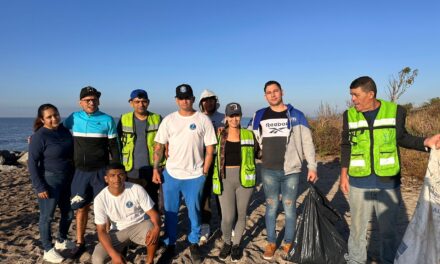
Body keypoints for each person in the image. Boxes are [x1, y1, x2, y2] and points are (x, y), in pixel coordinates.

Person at [339, 76, 440, 264]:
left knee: (388, 231)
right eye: (351, 95)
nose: (353, 99)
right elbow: (346, 145)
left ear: (370, 94)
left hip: (388, 182)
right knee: (357, 230)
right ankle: (355, 261)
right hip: (358, 181)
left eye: (356, 95)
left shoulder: (396, 111)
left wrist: (425, 142)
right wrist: (343, 174)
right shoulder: (349, 115)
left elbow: (402, 138)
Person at [250, 80, 318, 260]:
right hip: (268, 169)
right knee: (271, 207)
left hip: (291, 170)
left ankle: (288, 242)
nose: (272, 94)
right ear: (265, 95)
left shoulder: (296, 115)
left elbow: (307, 143)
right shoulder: (259, 115)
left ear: (282, 92)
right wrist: (225, 128)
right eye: (269, 92)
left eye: (275, 91)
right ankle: (271, 242)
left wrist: (312, 166)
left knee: (289, 208)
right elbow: (247, 136)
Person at [152, 84, 217, 263]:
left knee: (194, 212)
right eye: (181, 98)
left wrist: (204, 172)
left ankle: (194, 242)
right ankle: (171, 244)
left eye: (187, 97)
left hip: (195, 176)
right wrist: (156, 168)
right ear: (176, 100)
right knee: (171, 211)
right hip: (171, 175)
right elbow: (159, 147)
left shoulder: (203, 119)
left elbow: (210, 149)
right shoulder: (169, 120)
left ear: (193, 99)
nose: (184, 101)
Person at [64, 86, 120, 256]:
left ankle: (109, 241)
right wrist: (37, 136)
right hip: (79, 172)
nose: (91, 102)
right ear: (80, 102)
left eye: (94, 99)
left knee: (104, 208)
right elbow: (56, 132)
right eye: (87, 100)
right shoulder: (73, 118)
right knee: (81, 208)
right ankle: (80, 242)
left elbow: (114, 147)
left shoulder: (107, 120)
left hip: (100, 171)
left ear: (98, 101)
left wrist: (116, 169)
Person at [28, 104, 75, 263]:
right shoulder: (39, 137)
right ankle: (47, 249)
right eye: (49, 117)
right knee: (47, 217)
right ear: (42, 120)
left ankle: (61, 240)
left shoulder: (64, 130)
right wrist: (39, 186)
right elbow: (32, 164)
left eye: (55, 114)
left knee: (68, 213)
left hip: (67, 179)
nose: (54, 118)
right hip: (50, 180)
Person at [212, 102, 259, 262]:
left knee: (241, 214)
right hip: (225, 179)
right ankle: (226, 242)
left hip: (245, 179)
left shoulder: (249, 135)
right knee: (227, 217)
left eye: (237, 115)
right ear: (226, 117)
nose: (234, 119)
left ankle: (236, 244)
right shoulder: (218, 135)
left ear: (240, 116)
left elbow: (258, 153)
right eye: (231, 115)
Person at [92, 163, 161, 264]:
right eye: (112, 175)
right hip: (118, 231)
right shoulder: (100, 199)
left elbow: (154, 214)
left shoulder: (137, 189)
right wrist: (114, 255)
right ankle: (120, 252)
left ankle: (149, 261)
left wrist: (157, 228)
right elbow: (101, 231)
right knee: (98, 259)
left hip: (139, 226)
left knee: (152, 227)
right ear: (106, 179)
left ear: (125, 176)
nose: (117, 179)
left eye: (120, 174)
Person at [117, 89, 163, 210]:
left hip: (152, 168)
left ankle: (153, 227)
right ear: (131, 103)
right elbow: (117, 144)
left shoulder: (157, 118)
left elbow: (165, 143)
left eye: (144, 101)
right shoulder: (123, 119)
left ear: (148, 102)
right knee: (132, 202)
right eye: (137, 102)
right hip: (130, 169)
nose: (141, 105)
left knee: (152, 201)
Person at [198, 89, 225, 242]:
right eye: (205, 100)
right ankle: (205, 225)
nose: (209, 103)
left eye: (211, 100)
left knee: (222, 192)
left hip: (221, 160)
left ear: (216, 101)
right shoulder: (198, 117)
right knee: (204, 194)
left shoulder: (224, 117)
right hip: (203, 161)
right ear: (201, 102)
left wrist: (225, 131)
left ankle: (226, 223)